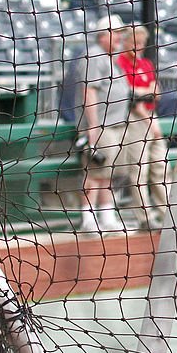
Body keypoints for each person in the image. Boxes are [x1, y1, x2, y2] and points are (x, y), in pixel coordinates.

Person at [76, 13, 129, 233]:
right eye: (115, 33)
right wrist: (93, 126)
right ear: (102, 35)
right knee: (94, 171)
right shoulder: (94, 56)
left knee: (108, 173)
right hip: (102, 124)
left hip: (116, 123)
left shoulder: (111, 57)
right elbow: (89, 92)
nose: (119, 37)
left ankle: (107, 216)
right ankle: (88, 219)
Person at [116, 24, 170, 230]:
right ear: (126, 42)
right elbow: (130, 97)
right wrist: (142, 93)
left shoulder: (145, 63)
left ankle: (167, 214)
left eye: (141, 43)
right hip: (133, 119)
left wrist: (143, 93)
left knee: (160, 167)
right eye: (134, 42)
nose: (138, 47)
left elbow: (156, 92)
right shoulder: (119, 63)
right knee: (139, 170)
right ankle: (145, 218)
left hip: (150, 115)